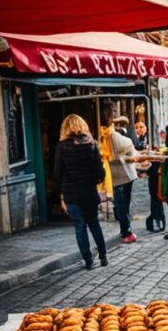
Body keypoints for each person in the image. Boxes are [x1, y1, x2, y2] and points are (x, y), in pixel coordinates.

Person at [54, 114, 108, 270]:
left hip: (72, 193)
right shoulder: (92, 145)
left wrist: (63, 190)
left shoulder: (62, 147)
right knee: (94, 224)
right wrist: (96, 180)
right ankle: (103, 256)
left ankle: (88, 260)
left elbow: (57, 173)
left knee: (80, 226)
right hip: (89, 192)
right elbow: (100, 172)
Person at [109, 116, 139, 243]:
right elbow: (133, 154)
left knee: (121, 204)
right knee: (125, 203)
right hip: (128, 175)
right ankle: (125, 229)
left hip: (118, 176)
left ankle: (126, 230)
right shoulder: (125, 138)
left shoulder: (111, 138)